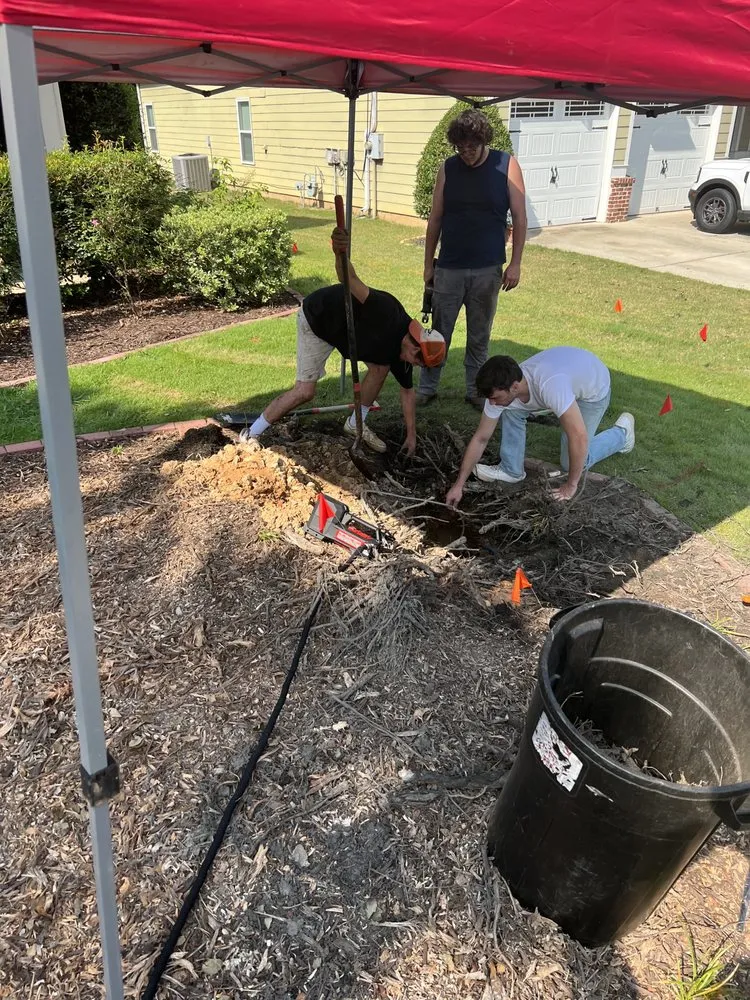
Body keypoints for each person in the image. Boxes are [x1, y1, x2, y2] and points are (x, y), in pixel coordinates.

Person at [239, 227, 446, 455]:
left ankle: (356, 422)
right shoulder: (387, 312)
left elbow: (407, 393)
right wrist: (340, 253)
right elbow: (349, 279)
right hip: (319, 319)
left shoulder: (403, 356)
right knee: (305, 392)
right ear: (414, 343)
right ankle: (252, 433)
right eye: (420, 360)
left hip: (346, 334)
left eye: (422, 365)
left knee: (380, 368)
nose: (417, 365)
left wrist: (412, 435)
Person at [418, 109, 528, 410]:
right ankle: (427, 388)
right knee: (439, 333)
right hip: (450, 266)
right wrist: (429, 264)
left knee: (479, 336)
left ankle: (475, 390)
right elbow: (435, 217)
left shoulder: (506, 165)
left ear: (483, 141)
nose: (466, 153)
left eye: (472, 147)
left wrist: (515, 262)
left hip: (488, 268)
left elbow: (519, 217)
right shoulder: (448, 168)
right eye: (460, 147)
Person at [445, 347, 635, 506]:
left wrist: (570, 486)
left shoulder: (550, 386)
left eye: (495, 398)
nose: (492, 404)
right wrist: (459, 484)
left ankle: (622, 435)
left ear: (514, 387)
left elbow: (579, 436)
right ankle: (512, 470)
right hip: (567, 374)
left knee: (571, 461)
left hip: (593, 387)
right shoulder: (502, 393)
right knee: (509, 408)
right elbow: (481, 438)